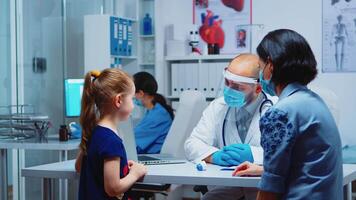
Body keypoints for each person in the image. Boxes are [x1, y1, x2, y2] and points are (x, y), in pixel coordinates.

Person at [234, 29, 343, 199]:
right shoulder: (317, 102)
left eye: (261, 67)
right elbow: (308, 164)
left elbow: (270, 191)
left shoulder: (280, 112)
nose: (260, 74)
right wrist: (264, 169)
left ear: (270, 66)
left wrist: (269, 174)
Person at [184, 53, 276, 200]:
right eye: (227, 83)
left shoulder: (276, 109)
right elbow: (191, 144)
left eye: (238, 87)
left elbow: (289, 156)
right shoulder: (218, 106)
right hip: (227, 187)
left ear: (258, 89)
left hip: (261, 189)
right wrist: (214, 156)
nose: (229, 90)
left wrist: (255, 156)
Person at [75, 69, 147, 200]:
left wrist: (122, 167)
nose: (133, 105)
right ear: (119, 100)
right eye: (131, 99)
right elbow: (112, 188)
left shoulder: (93, 132)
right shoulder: (111, 140)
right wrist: (135, 174)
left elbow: (79, 167)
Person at [133, 72, 174, 154]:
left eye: (132, 92)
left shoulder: (157, 116)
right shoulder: (154, 111)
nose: (132, 96)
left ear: (141, 93)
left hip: (153, 158)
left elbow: (134, 144)